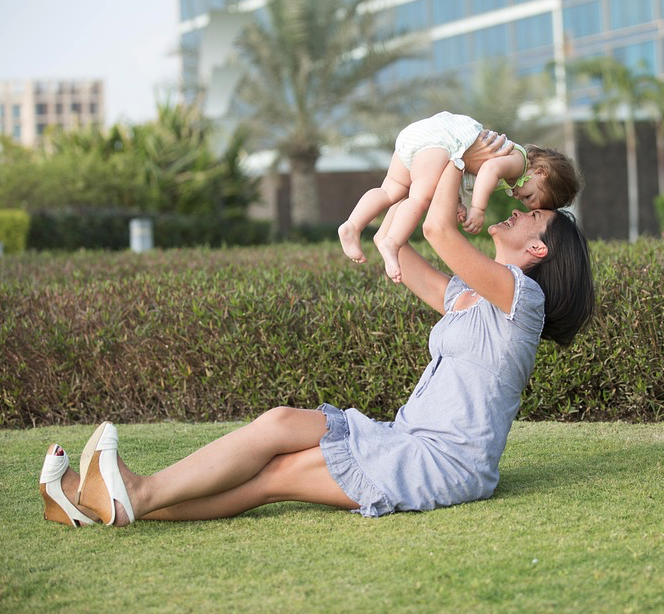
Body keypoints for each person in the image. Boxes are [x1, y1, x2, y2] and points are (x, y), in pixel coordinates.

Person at [37, 131, 595, 527]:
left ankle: (131, 495)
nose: (520, 210)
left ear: (538, 249)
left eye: (534, 216)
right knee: (280, 424)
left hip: (443, 463)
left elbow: (440, 230)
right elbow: (404, 248)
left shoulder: (523, 299)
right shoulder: (472, 297)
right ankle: (93, 501)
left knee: (280, 474)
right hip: (402, 435)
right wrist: (400, 194)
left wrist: (455, 145)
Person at [338, 111, 581, 282]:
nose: (520, 200)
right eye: (530, 197)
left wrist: (457, 202)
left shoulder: (512, 172)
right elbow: (487, 169)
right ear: (541, 172)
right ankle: (392, 242)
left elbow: (461, 171)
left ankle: (352, 225)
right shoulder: (518, 162)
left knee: (391, 190)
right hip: (442, 141)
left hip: (422, 137)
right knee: (420, 198)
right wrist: (477, 208)